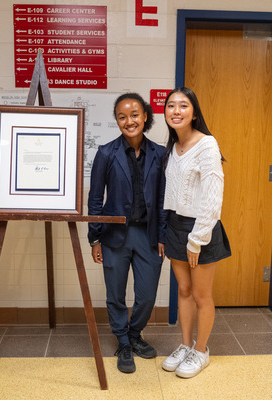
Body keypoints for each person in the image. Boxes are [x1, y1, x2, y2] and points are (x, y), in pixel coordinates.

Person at [88, 93, 167, 373]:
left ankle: (135, 334)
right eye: (122, 117)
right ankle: (122, 341)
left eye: (134, 115)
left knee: (146, 296)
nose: (129, 121)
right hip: (114, 237)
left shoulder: (160, 153)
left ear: (145, 116)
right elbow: (96, 198)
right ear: (117, 121)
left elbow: (163, 199)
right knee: (116, 295)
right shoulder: (106, 153)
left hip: (148, 236)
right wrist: (95, 238)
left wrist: (163, 236)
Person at [161, 87, 231, 378]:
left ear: (194, 112)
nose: (176, 111)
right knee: (184, 291)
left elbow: (214, 198)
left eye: (183, 106)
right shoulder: (173, 147)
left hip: (201, 229)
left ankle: (201, 350)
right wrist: (166, 233)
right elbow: (171, 194)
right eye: (170, 106)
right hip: (175, 227)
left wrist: (197, 239)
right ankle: (185, 344)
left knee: (202, 295)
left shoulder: (207, 145)